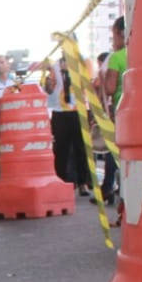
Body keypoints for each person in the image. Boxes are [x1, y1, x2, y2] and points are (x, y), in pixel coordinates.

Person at [44, 57, 91, 194]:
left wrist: (71, 71)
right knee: (60, 149)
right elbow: (50, 90)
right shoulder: (55, 65)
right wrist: (48, 81)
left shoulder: (83, 62)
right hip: (60, 111)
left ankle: (83, 183)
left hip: (79, 109)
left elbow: (88, 84)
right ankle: (61, 182)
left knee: (81, 148)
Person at [101, 16, 126, 204]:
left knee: (116, 150)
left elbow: (110, 88)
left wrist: (101, 81)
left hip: (122, 109)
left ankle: (110, 188)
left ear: (118, 33)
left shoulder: (116, 57)